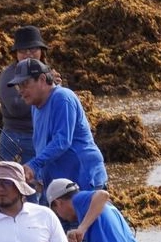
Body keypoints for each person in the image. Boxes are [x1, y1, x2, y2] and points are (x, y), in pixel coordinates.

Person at [8, 58, 108, 198]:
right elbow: (41, 144)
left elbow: (62, 141)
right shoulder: (35, 107)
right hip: (58, 184)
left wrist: (34, 165)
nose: (21, 91)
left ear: (42, 79)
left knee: (87, 219)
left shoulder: (62, 98)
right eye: (19, 86)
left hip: (83, 178)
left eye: (25, 84)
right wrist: (40, 175)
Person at [0, 26, 48, 176]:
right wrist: (44, 94)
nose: (28, 54)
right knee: (10, 183)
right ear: (16, 54)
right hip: (16, 138)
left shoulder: (47, 72)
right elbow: (15, 107)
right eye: (23, 51)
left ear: (41, 51)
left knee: (39, 188)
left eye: (32, 50)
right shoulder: (9, 75)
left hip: (41, 138)